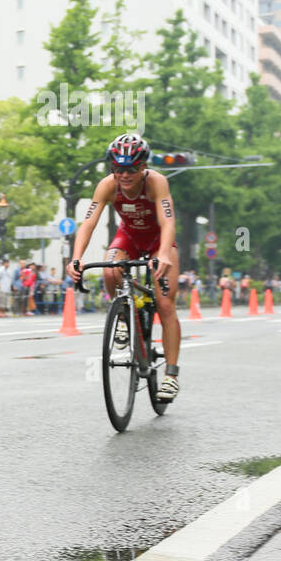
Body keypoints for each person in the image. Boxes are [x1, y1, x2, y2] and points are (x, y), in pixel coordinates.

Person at [66, 133, 182, 400]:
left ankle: (172, 376)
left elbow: (167, 222)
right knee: (110, 268)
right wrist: (76, 257)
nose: (125, 175)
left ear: (143, 167)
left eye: (131, 169)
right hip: (128, 236)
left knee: (165, 304)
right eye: (118, 169)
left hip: (158, 242)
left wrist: (163, 253)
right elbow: (89, 223)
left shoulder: (157, 183)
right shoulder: (107, 185)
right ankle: (124, 316)